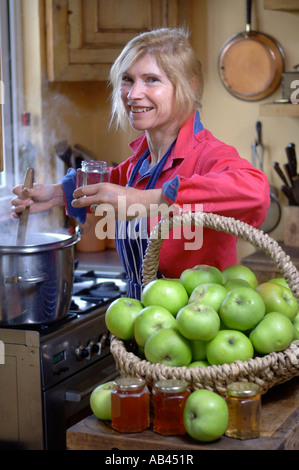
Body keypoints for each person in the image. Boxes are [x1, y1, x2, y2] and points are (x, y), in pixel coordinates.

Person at [11, 27, 270, 300]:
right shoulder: (141, 164)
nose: (134, 94)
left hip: (198, 326)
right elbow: (113, 181)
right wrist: (55, 194)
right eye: (127, 79)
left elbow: (257, 192)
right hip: (144, 319)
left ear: (188, 87)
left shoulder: (208, 156)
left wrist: (152, 199)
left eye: (151, 80)